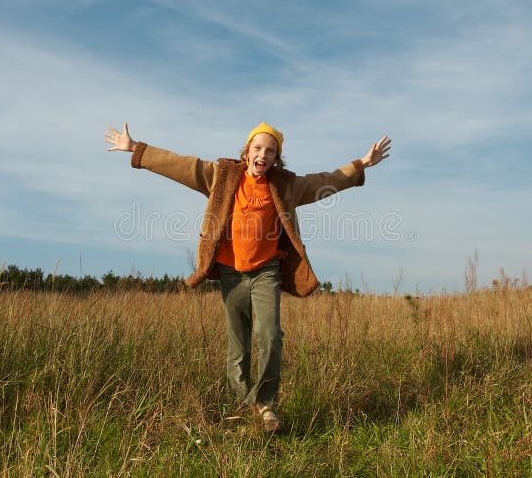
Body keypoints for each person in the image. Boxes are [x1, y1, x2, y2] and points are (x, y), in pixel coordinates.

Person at [105, 122, 391, 432]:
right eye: (258, 148)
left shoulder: (284, 186)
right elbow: (180, 165)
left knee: (269, 336)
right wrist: (136, 148)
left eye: (270, 151)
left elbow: (324, 180)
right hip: (231, 273)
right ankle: (242, 406)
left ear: (276, 157)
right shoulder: (223, 177)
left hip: (266, 271)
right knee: (238, 345)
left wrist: (361, 164)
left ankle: (266, 405)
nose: (263, 155)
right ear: (247, 151)